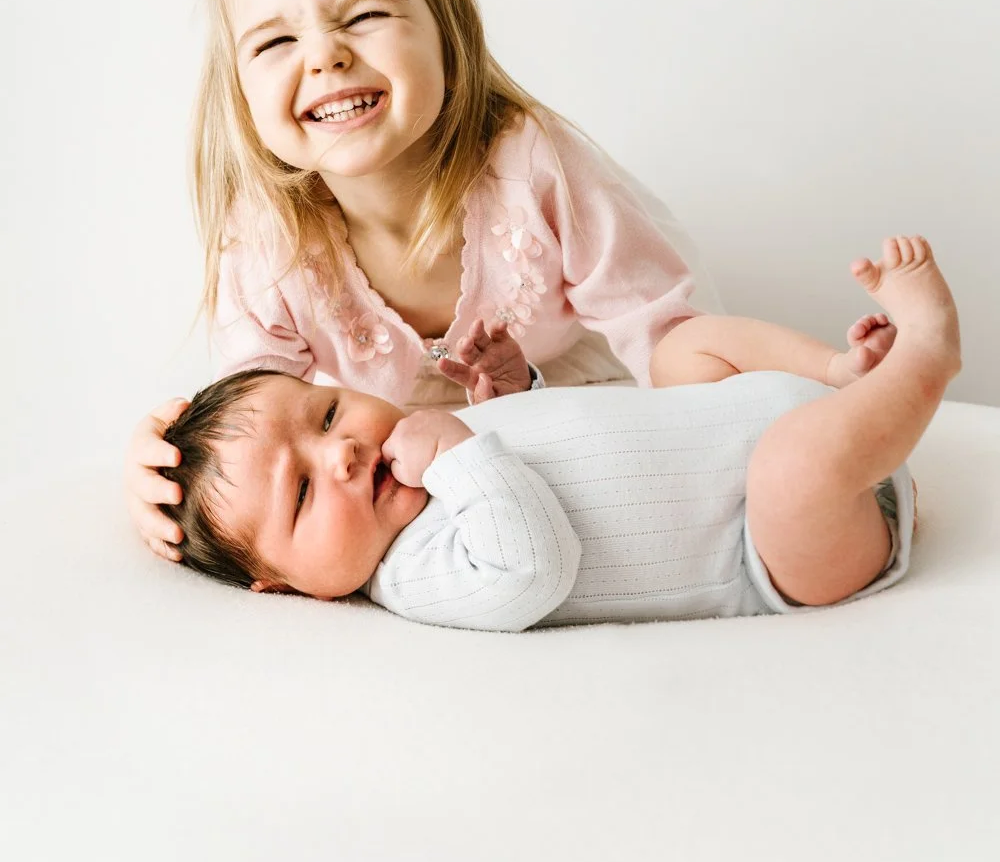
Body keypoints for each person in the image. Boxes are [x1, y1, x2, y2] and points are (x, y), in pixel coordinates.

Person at [126, 0, 726, 562]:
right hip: (393, 462)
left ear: (449, 38)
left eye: (364, 17)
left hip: (582, 392)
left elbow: (660, 334)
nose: (325, 56)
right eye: (275, 43)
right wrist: (170, 471)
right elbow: (251, 414)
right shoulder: (269, 240)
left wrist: (717, 451)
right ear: (240, 94)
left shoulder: (532, 168)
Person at [156, 235, 955, 631]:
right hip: (779, 545)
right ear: (285, 583)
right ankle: (919, 364)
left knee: (682, 347)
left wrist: (509, 393)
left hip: (748, 419)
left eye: (328, 414)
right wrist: (463, 457)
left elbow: (569, 439)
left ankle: (839, 374)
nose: (342, 453)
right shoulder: (413, 574)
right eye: (301, 492)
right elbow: (532, 568)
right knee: (792, 466)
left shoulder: (432, 451)